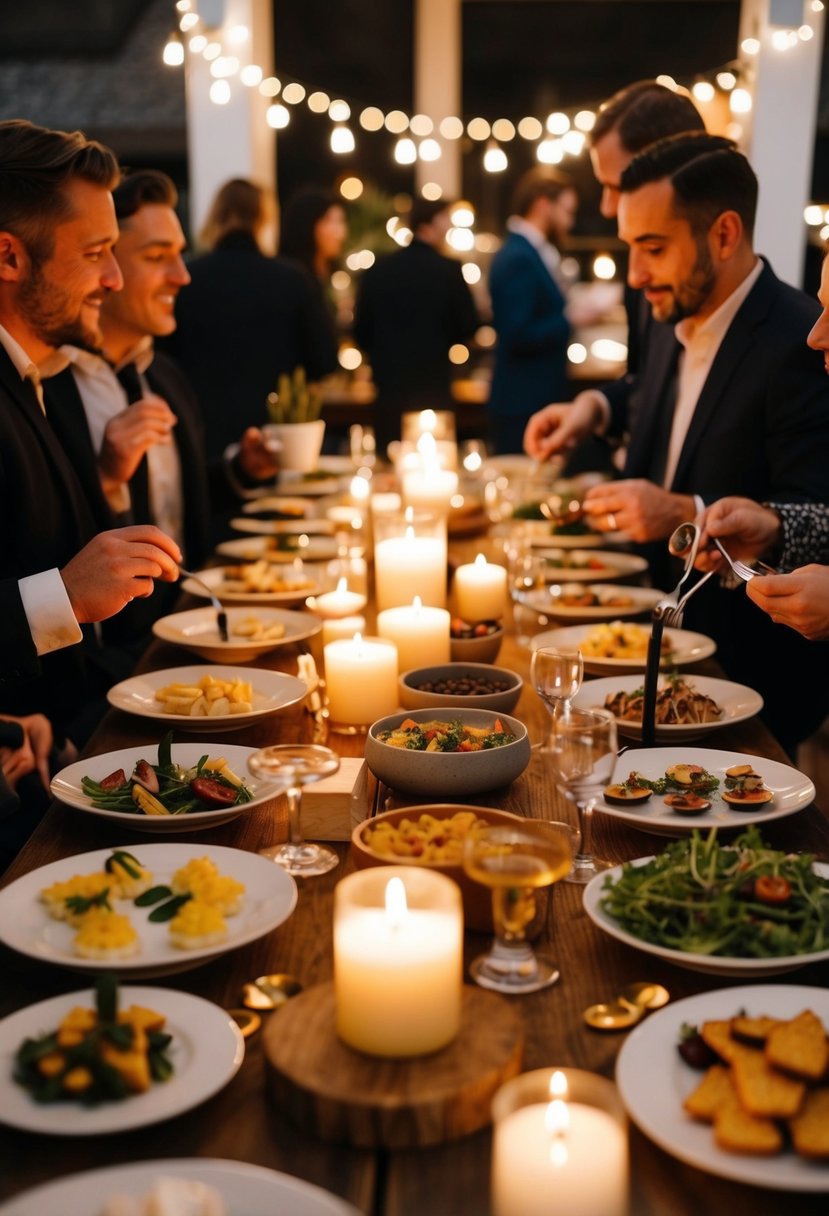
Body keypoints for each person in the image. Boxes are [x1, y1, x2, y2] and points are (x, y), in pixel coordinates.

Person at [525, 132, 829, 748]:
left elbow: (818, 513)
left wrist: (690, 515)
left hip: (745, 693)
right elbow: (648, 395)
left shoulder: (798, 338)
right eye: (630, 248)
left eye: (653, 248)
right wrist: (594, 406)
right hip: (643, 653)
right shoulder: (669, 312)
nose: (636, 275)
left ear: (723, 235)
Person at [0, 119, 181, 746]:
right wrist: (65, 596)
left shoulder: (35, 376)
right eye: (94, 253)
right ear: (9, 257)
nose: (115, 279)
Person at [46, 170, 278, 600]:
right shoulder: (48, 386)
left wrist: (240, 469)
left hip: (192, 619)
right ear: (105, 265)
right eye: (157, 258)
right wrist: (106, 478)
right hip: (113, 655)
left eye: (180, 255)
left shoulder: (165, 376)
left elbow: (174, 505)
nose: (182, 275)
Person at [524, 80, 705, 464]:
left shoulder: (784, 334)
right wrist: (594, 407)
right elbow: (648, 386)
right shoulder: (642, 280)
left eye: (617, 185)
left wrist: (681, 509)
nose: (607, 207)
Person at [164, 177, 338, 471]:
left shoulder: (186, 279)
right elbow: (324, 360)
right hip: (273, 439)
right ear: (264, 218)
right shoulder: (291, 279)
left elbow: (167, 358)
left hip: (199, 434)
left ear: (216, 215)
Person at [354, 196, 479, 453]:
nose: (449, 228)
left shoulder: (378, 270)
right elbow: (469, 326)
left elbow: (361, 333)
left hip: (388, 391)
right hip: (434, 388)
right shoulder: (449, 270)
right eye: (446, 220)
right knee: (436, 464)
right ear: (428, 223)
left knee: (388, 467)